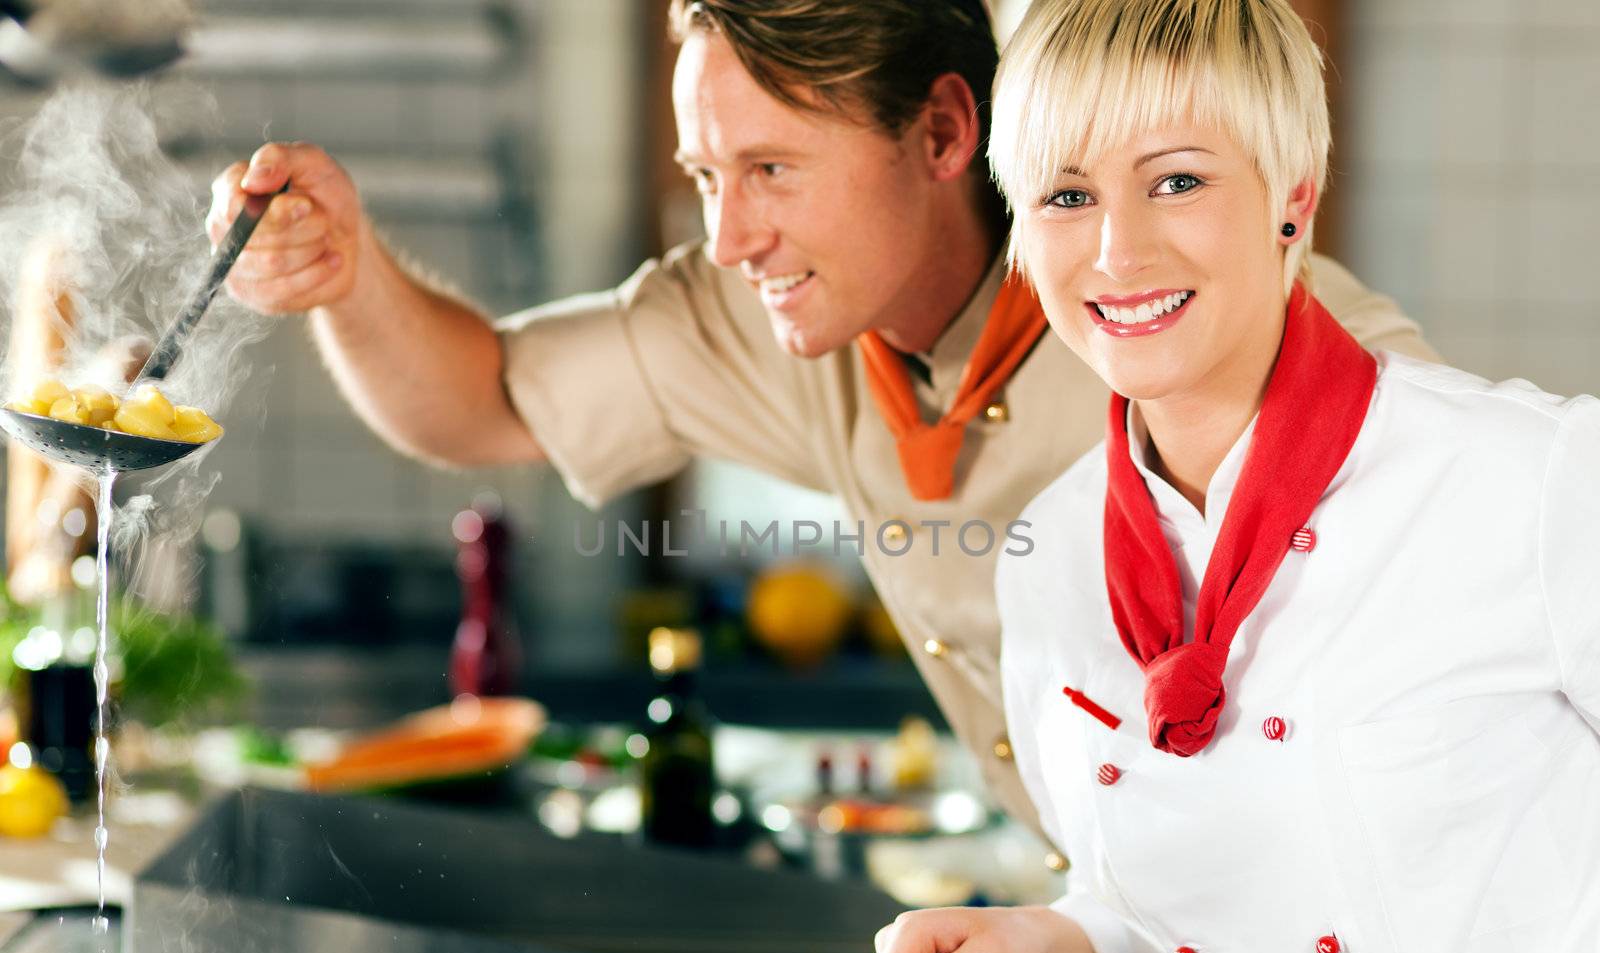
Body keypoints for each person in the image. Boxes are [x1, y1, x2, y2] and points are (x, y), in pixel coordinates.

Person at [207, 0, 1438, 847]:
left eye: (773, 170)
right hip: (1097, 907)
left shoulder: (1189, 313)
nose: (729, 234)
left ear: (946, 132)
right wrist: (349, 275)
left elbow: (1442, 531)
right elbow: (481, 401)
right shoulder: (765, 314)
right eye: (704, 177)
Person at [869, 1, 1600, 953]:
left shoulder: (1530, 481)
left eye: (1178, 179)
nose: (1117, 250)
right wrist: (1042, 938)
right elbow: (1171, 930)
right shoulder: (1052, 557)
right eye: (1067, 195)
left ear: (1289, 201)